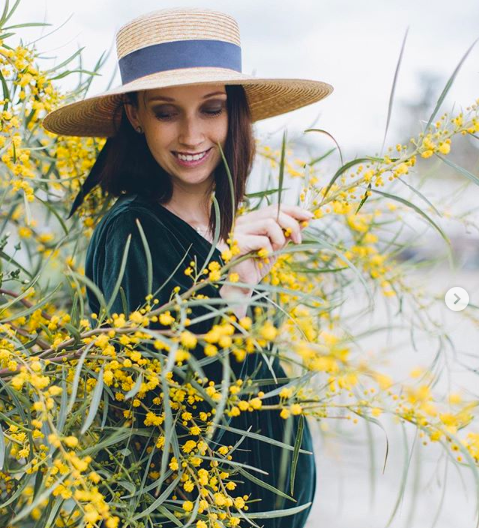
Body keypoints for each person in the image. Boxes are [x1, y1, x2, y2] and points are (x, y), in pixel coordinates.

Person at [43, 8, 333, 527]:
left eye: (212, 108)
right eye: (166, 112)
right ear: (135, 116)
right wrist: (232, 290)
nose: (193, 135)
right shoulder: (133, 230)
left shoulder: (228, 225)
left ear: (233, 112)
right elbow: (152, 405)